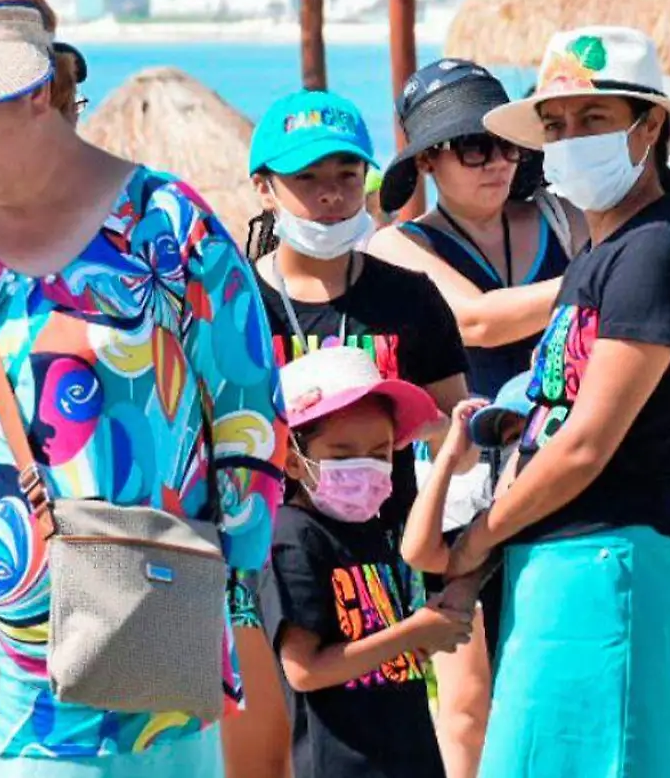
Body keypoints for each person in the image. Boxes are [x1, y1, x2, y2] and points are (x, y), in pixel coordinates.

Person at [0, 0, 286, 777]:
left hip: (129, 652)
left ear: (40, 89)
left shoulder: (168, 228)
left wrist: (226, 580)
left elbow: (250, 421)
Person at [438, 26, 670, 777]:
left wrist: (479, 537)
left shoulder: (657, 252)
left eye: (593, 120)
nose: (569, 141)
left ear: (650, 128)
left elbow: (585, 443)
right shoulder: (603, 252)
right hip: (566, 558)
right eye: (554, 126)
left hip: (604, 557)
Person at [228, 88, 469, 778]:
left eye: (346, 176)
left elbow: (456, 429)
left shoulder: (409, 297)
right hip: (261, 569)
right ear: (264, 189)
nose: (331, 196)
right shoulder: (239, 304)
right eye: (306, 179)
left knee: (383, 741)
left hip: (378, 569)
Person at [367, 58, 575, 777]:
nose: (498, 162)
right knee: (465, 697)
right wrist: (602, 279)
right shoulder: (399, 245)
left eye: (508, 143)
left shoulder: (559, 217)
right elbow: (478, 322)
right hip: (454, 485)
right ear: (428, 160)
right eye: (474, 147)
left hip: (562, 469)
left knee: (548, 679)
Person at [263, 347, 470, 778]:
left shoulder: (376, 533)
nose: (366, 467)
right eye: (342, 455)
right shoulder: (293, 537)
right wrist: (414, 631)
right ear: (291, 458)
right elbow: (304, 670)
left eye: (380, 454)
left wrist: (430, 634)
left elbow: (384, 650)